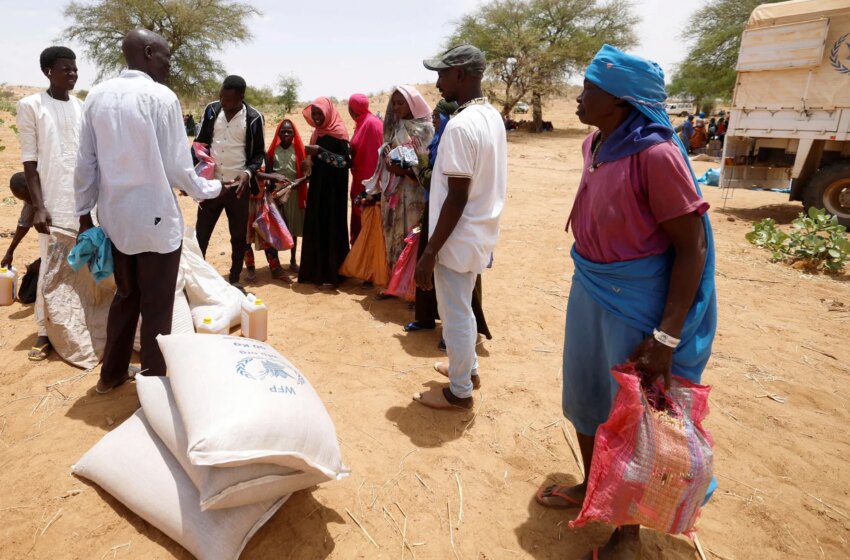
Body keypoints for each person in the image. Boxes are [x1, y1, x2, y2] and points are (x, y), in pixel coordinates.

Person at [534, 45, 717, 560]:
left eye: (589, 89)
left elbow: (692, 247)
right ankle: (595, 490)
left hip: (636, 304)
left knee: (635, 416)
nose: (578, 96)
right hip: (590, 288)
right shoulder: (594, 144)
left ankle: (628, 531)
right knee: (586, 397)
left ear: (621, 101)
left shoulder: (656, 155)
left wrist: (665, 336)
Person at [75, 29, 224, 394]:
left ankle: (111, 375)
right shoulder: (161, 98)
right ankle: (155, 387)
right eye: (166, 57)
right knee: (157, 305)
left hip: (115, 222)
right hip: (157, 222)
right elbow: (178, 168)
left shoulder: (96, 97)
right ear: (147, 52)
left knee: (126, 297)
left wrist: (83, 215)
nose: (169, 64)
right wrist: (213, 188)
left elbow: (85, 164)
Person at [413, 45, 506, 411]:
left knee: (453, 315)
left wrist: (430, 252)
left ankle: (459, 391)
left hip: (456, 239)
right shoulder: (490, 117)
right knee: (462, 308)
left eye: (443, 74)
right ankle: (468, 369)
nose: (438, 82)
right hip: (477, 233)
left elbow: (456, 198)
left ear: (462, 75)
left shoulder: (460, 126)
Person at [16, 46, 85, 362]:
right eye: (65, 68)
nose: (72, 73)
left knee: (82, 264)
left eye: (74, 68)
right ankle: (44, 331)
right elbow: (30, 163)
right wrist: (38, 206)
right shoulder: (30, 106)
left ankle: (77, 321)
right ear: (48, 71)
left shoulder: (81, 107)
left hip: (82, 201)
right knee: (51, 265)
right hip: (52, 203)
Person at [405, 100, 492, 347]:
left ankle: (458, 336)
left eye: (437, 116)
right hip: (434, 212)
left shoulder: (454, 140)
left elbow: (433, 182)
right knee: (430, 267)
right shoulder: (439, 141)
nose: (432, 120)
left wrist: (420, 161)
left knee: (457, 277)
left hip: (452, 216)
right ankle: (427, 319)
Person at [193, 75, 266, 286]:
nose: (223, 103)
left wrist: (248, 173)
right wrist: (193, 176)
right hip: (211, 185)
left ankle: (234, 280)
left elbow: (258, 154)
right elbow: (201, 143)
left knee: (238, 238)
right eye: (221, 97)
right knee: (201, 236)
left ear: (241, 97)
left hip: (237, 189)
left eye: (228, 100)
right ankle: (198, 282)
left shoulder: (253, 118)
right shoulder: (212, 110)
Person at [365, 86, 433, 279]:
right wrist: (387, 156)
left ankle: (411, 287)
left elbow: (427, 166)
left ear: (412, 103)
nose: (395, 107)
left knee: (413, 236)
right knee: (393, 234)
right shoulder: (395, 127)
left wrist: (403, 171)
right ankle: (394, 283)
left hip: (414, 194)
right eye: (393, 103)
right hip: (394, 193)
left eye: (400, 102)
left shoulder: (426, 130)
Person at [298, 97, 351, 288]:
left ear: (328, 113)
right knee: (316, 227)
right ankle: (315, 272)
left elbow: (345, 162)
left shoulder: (339, 133)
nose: (317, 117)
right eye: (314, 114)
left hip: (334, 191)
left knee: (331, 227)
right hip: (318, 189)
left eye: (320, 113)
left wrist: (319, 152)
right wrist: (308, 164)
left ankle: (333, 274)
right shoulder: (317, 134)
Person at [256, 118, 308, 272]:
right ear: (278, 133)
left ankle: (292, 260)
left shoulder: (299, 151)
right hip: (277, 196)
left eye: (289, 131)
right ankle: (276, 263)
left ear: (294, 134)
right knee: (277, 227)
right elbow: (268, 172)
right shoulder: (273, 151)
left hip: (295, 195)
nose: (286, 134)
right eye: (283, 131)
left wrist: (301, 180)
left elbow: (307, 173)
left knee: (293, 229)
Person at [347, 93, 383, 245]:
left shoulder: (370, 124)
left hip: (369, 183)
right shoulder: (365, 122)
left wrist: (372, 188)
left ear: (352, 109)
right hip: (361, 180)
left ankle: (364, 262)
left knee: (367, 220)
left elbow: (375, 157)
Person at [2, 172, 35, 270]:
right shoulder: (30, 197)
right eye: (24, 199)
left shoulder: (49, 190)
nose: (28, 201)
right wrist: (10, 252)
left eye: (27, 197)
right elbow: (24, 222)